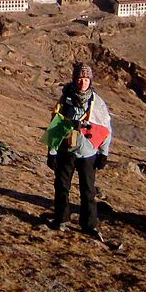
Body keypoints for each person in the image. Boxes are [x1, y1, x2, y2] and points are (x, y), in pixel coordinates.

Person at [45, 62, 112, 241]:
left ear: (90, 81)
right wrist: (52, 152)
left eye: (86, 79)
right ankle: (61, 218)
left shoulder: (97, 103)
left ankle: (89, 224)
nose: (83, 82)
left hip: (88, 154)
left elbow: (106, 128)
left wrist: (104, 153)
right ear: (74, 80)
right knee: (61, 187)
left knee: (88, 191)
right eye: (80, 79)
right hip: (66, 152)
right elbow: (56, 125)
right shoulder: (66, 100)